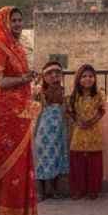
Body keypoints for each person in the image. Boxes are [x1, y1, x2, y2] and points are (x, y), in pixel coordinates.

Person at [0, 7, 38, 215]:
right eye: (13, 20)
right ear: (3, 22)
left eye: (19, 20)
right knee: (4, 158)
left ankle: (19, 208)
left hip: (21, 112)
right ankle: (1, 208)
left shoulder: (18, 47)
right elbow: (1, 83)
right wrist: (25, 79)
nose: (17, 24)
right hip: (3, 114)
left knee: (22, 157)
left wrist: (27, 79)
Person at [66, 63, 105, 200]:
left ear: (94, 78)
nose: (87, 79)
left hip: (94, 131)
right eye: (84, 76)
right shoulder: (74, 95)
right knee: (78, 160)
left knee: (94, 161)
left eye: (90, 76)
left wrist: (92, 121)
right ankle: (78, 190)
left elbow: (102, 110)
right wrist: (78, 122)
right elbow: (70, 112)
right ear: (78, 79)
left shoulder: (99, 94)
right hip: (79, 131)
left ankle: (93, 190)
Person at [32, 61, 69, 200]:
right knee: (42, 158)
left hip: (58, 130)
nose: (54, 76)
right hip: (43, 130)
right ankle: (40, 191)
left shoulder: (63, 90)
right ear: (44, 76)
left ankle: (52, 189)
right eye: (49, 73)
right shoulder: (39, 91)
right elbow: (33, 109)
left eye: (57, 73)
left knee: (56, 158)